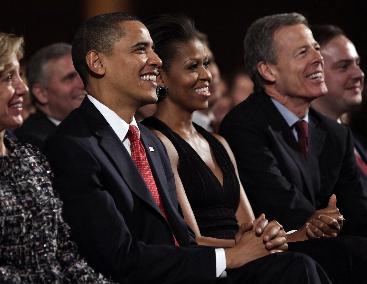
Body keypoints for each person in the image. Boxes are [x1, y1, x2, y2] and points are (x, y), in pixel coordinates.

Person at [44, 12, 330, 284]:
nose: (156, 61)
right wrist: (228, 257)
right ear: (97, 63)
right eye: (141, 49)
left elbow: (182, 240)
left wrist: (264, 241)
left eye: (154, 50)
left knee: (303, 263)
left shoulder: (148, 142)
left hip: (186, 271)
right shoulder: (73, 146)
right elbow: (119, 257)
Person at [143, 13, 367, 283]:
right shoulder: (158, 141)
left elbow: (249, 229)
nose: (206, 76)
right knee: (301, 266)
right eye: (193, 67)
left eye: (206, 64)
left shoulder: (218, 143)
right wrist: (242, 249)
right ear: (162, 77)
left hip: (248, 257)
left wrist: (306, 231)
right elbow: (187, 240)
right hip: (214, 266)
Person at [219, 12, 367, 281]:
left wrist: (336, 220)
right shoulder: (243, 125)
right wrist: (321, 222)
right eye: (302, 52)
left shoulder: (336, 133)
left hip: (334, 248)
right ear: (268, 70)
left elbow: (358, 210)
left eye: (317, 48)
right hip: (282, 255)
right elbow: (278, 205)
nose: (318, 58)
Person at [0, 25, 111, 283]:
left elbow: (65, 252)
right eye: (8, 78)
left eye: (19, 75)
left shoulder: (30, 157)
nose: (23, 89)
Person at [311, 25, 367, 178]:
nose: (359, 74)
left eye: (357, 63)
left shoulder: (357, 141)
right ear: (313, 75)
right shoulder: (307, 149)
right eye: (343, 66)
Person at [15, 42, 86, 149]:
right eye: (70, 77)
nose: (83, 83)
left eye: (83, 73)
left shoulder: (100, 126)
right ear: (41, 94)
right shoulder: (32, 144)